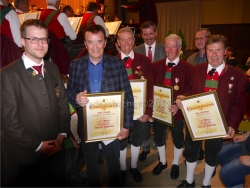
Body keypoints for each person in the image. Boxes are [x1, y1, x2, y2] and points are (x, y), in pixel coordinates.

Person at [1, 19, 70, 187]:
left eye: (44, 39)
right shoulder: (8, 75)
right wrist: (38, 146)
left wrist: (62, 133)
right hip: (28, 154)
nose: (40, 44)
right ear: (22, 41)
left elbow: (62, 104)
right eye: (34, 39)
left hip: (57, 147)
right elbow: (10, 122)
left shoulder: (52, 68)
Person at [176, 34, 248, 187]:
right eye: (210, 51)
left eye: (218, 50)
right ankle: (189, 180)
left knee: (212, 152)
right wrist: (183, 98)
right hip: (195, 120)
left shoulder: (237, 75)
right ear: (205, 51)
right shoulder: (196, 70)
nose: (214, 55)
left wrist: (232, 124)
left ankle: (206, 182)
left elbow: (239, 104)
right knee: (190, 149)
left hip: (219, 123)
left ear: (225, 52)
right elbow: (189, 89)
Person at [67, 24, 134, 187]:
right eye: (91, 42)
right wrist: (76, 98)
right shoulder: (76, 65)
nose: (95, 47)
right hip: (88, 126)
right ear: (85, 44)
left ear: (105, 43)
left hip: (112, 126)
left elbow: (128, 96)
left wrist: (126, 126)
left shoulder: (117, 64)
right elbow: (69, 91)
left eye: (99, 42)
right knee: (91, 169)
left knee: (114, 166)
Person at [150, 34, 193, 178]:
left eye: (173, 46)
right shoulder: (155, 66)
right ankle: (162, 161)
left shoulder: (188, 67)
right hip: (159, 111)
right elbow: (150, 87)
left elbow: (190, 88)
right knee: (159, 137)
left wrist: (180, 102)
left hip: (177, 112)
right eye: (167, 46)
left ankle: (175, 162)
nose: (169, 50)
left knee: (178, 138)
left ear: (179, 48)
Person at [116, 27, 153, 185]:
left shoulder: (144, 60)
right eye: (122, 40)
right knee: (121, 140)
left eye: (129, 39)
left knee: (137, 138)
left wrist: (149, 110)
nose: (126, 43)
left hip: (139, 110)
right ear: (118, 43)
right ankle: (123, 168)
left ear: (134, 41)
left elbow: (150, 87)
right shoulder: (111, 61)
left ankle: (133, 166)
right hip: (120, 111)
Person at [133, 20, 166, 162]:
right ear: (141, 35)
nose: (148, 37)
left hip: (161, 94)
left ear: (156, 33)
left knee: (161, 125)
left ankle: (161, 149)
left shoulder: (165, 49)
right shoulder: (135, 51)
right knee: (143, 123)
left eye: (151, 33)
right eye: (145, 34)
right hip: (143, 95)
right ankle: (145, 147)